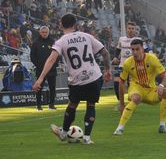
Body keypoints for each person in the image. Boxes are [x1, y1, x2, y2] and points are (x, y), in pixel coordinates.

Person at [32, 14, 112, 144]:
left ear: (61, 25)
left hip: (77, 79)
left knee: (73, 104)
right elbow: (105, 53)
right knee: (91, 105)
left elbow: (51, 59)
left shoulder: (61, 41)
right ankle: (87, 138)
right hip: (94, 77)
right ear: (75, 25)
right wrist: (108, 70)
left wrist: (40, 79)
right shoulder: (87, 36)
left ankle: (63, 132)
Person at [113, 38, 166, 135]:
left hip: (151, 90)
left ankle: (162, 126)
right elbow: (121, 83)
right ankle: (119, 128)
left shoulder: (152, 59)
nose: (135, 52)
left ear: (142, 49)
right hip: (136, 88)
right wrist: (121, 104)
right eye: (133, 49)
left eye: (137, 49)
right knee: (136, 97)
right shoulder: (127, 62)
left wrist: (161, 85)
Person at [112, 22, 149, 101]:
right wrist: (115, 57)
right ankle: (120, 102)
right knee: (116, 83)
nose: (131, 30)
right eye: (129, 28)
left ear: (135, 30)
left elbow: (146, 50)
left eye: (132, 28)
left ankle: (131, 102)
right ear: (126, 29)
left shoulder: (139, 40)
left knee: (131, 85)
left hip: (134, 66)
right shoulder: (121, 39)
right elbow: (118, 49)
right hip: (123, 65)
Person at [30, 26, 58, 111]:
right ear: (40, 33)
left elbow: (57, 55)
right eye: (43, 32)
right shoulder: (35, 43)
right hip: (40, 69)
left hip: (52, 70)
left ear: (48, 33)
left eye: (46, 32)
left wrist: (54, 65)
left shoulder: (53, 42)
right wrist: (38, 65)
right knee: (39, 87)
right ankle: (38, 105)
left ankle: (51, 105)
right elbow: (32, 56)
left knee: (52, 87)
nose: (44, 34)